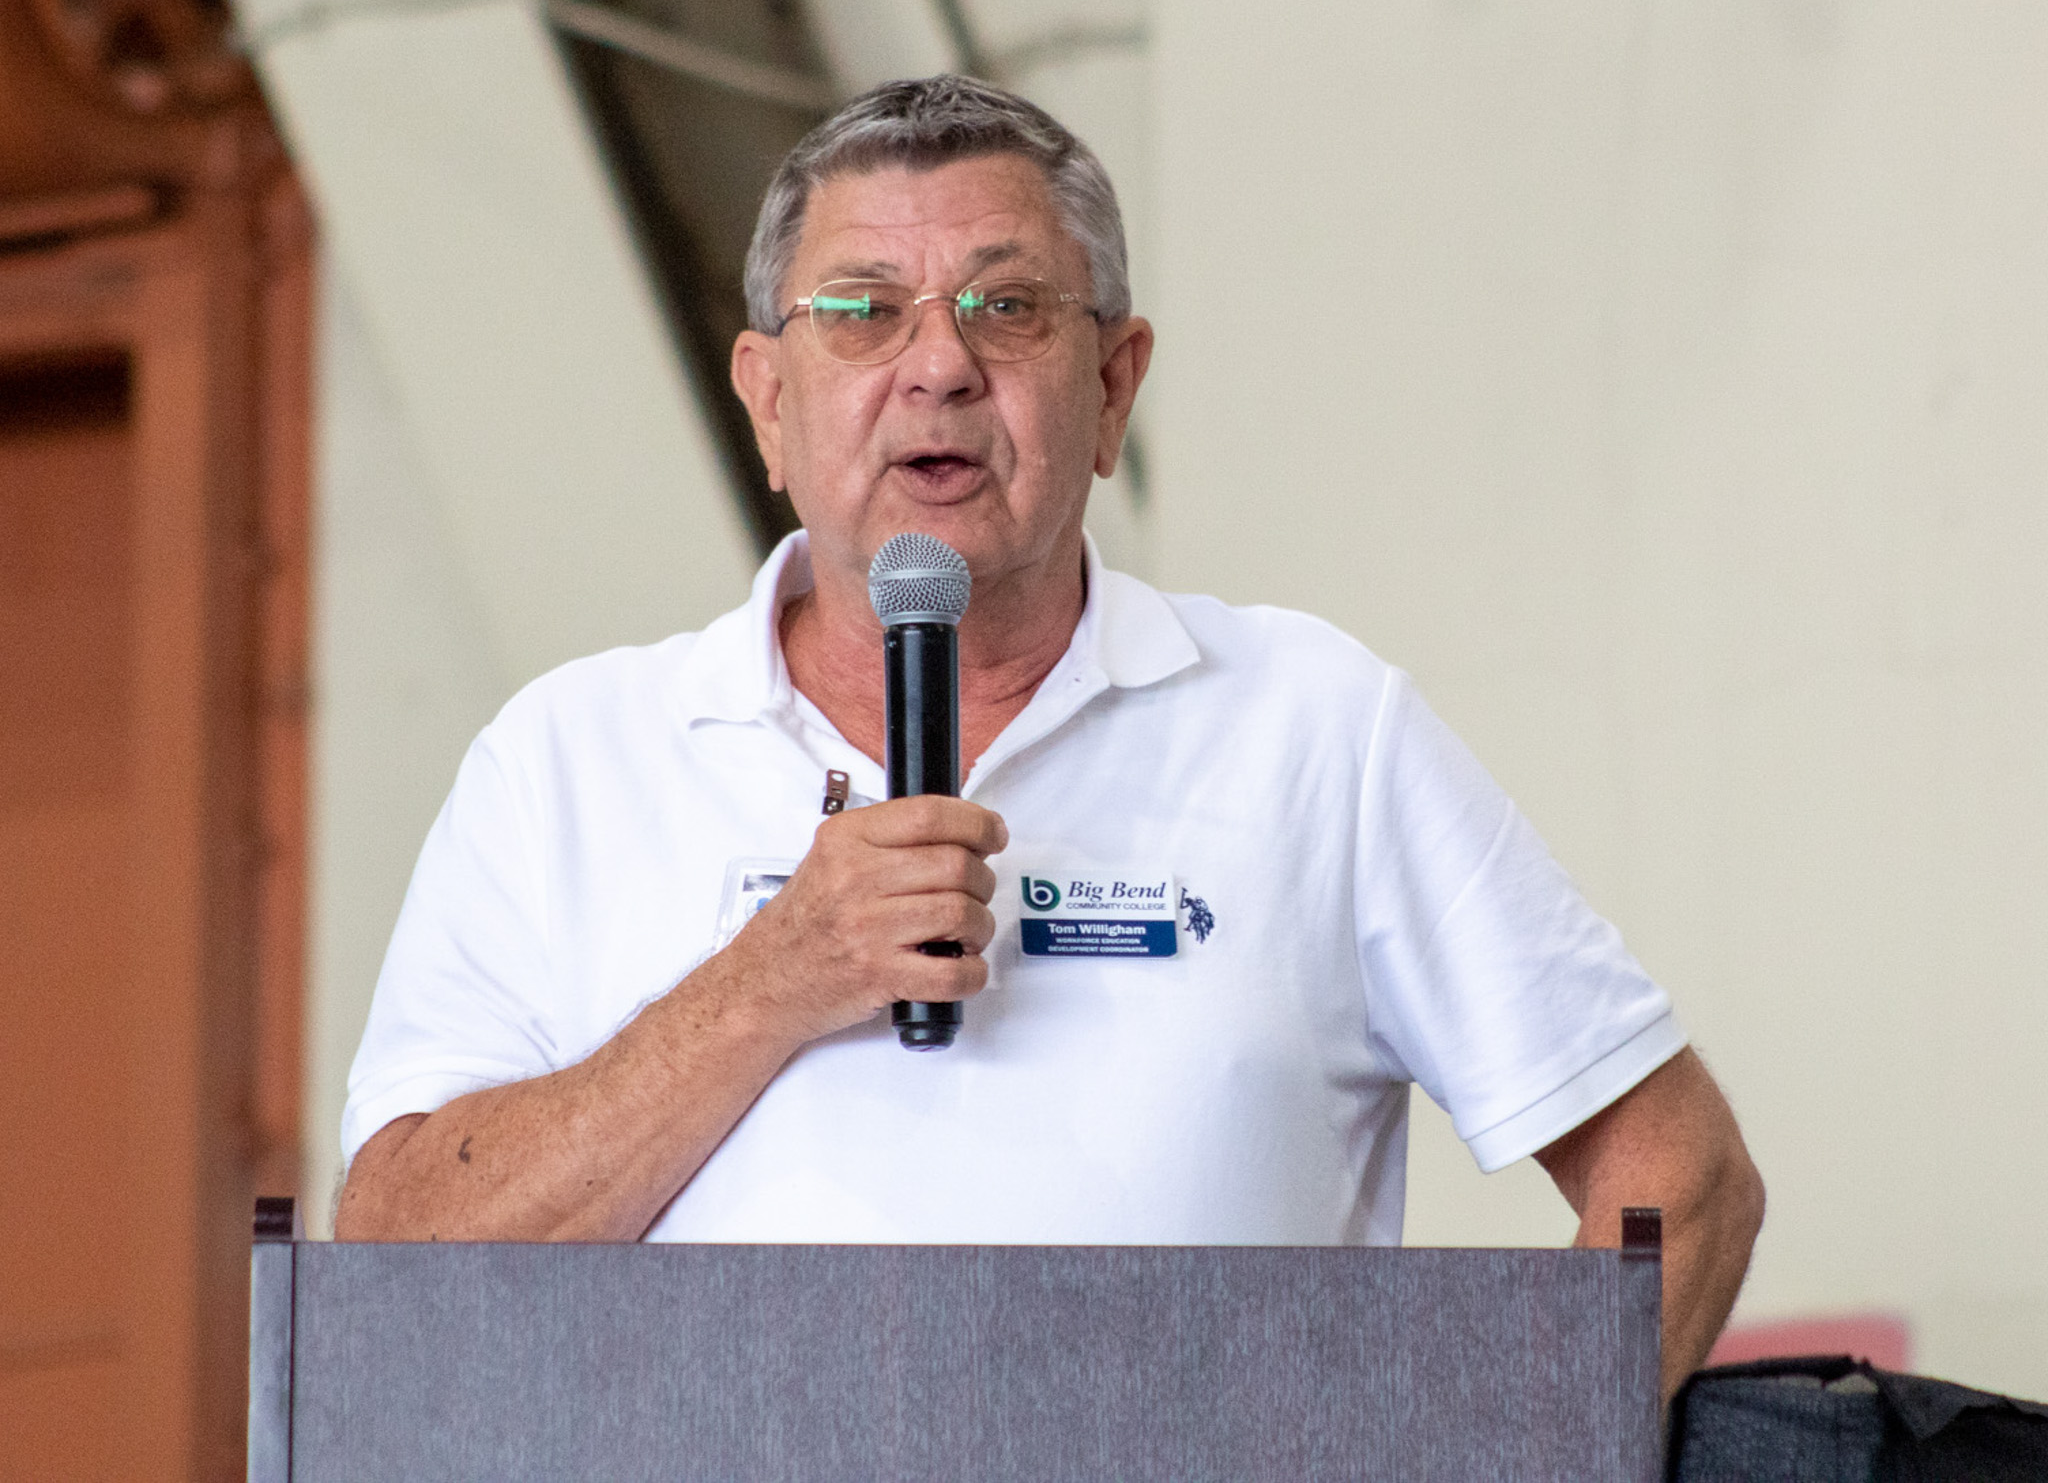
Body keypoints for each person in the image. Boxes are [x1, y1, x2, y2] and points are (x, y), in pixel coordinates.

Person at [337, 76, 1763, 1397]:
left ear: (1115, 388)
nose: (938, 366)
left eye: (1008, 306)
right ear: (771, 402)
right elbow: (397, 1262)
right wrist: (775, 981)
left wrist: (1509, 1459)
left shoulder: (1314, 728)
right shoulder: (566, 761)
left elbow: (1680, 1175)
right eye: (862, 308)